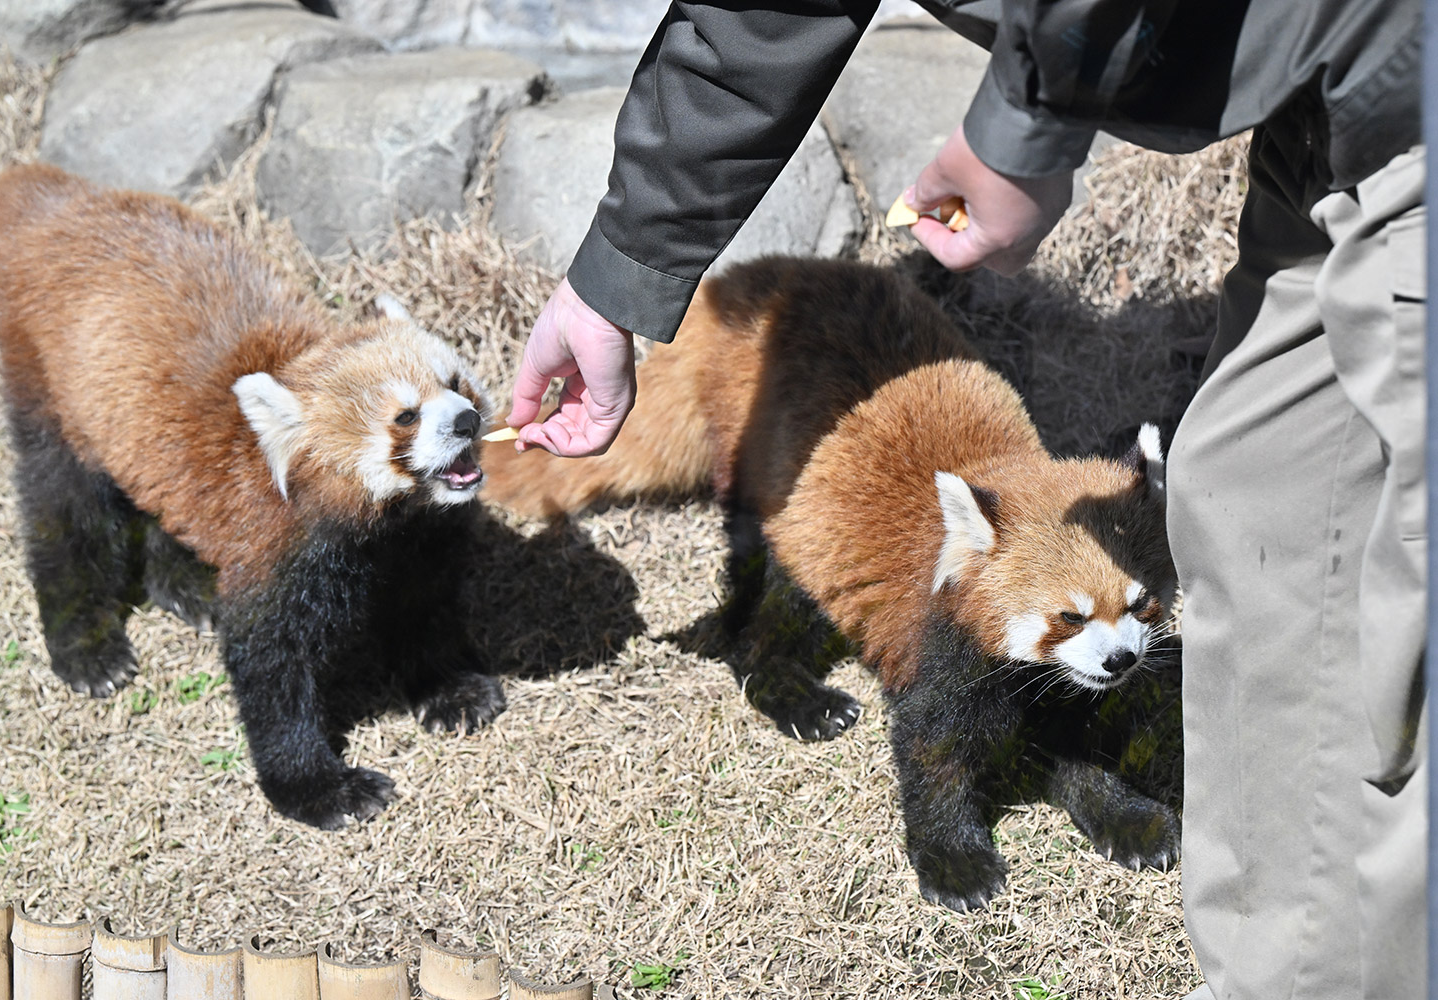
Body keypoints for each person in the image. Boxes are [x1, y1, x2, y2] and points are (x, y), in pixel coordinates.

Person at [503, 2, 1426, 996]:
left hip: (1388, 72)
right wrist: (619, 277)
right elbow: (760, 21)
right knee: (1259, 510)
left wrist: (1021, 125)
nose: (1126, 647)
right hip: (1332, 101)